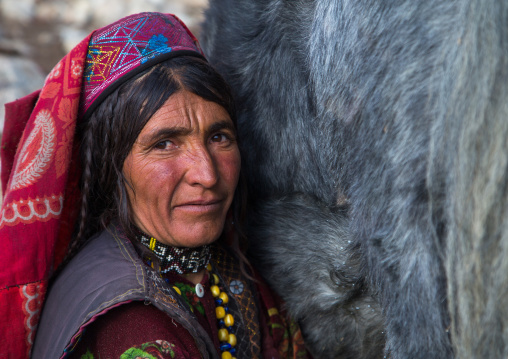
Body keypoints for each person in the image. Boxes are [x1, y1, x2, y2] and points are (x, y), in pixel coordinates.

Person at [1, 12, 309, 359]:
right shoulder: (132, 327)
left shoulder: (226, 267)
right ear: (112, 164)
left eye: (219, 137)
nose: (206, 175)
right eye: (165, 144)